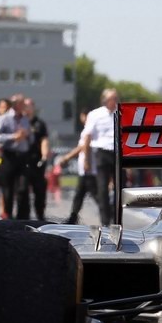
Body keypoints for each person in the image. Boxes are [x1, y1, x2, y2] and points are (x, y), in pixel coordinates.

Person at [80, 89, 119, 226]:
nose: (114, 101)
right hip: (101, 152)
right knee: (102, 188)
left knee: (120, 186)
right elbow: (88, 136)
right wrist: (86, 159)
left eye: (115, 98)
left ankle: (117, 217)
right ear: (105, 100)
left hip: (117, 153)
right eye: (111, 98)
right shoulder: (95, 114)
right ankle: (105, 220)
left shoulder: (121, 112)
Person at [0, 94, 31, 220]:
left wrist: (27, 135)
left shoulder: (25, 119)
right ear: (16, 104)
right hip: (9, 156)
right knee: (8, 188)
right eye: (22, 103)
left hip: (23, 156)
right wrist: (13, 137)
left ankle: (22, 218)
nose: (24, 106)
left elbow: (31, 138)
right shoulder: (4, 118)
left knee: (23, 188)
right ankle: (8, 216)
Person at [59, 111, 97, 225]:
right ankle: (73, 217)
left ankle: (109, 214)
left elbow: (83, 147)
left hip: (88, 169)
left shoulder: (89, 130)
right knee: (79, 194)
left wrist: (68, 158)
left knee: (95, 195)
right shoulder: (90, 129)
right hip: (87, 169)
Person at [17, 98, 50, 220]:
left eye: (29, 106)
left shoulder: (39, 124)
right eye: (24, 106)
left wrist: (44, 155)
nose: (26, 108)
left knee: (39, 189)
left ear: (33, 108)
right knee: (22, 190)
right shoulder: (18, 122)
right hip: (22, 160)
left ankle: (40, 215)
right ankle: (22, 217)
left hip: (36, 160)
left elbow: (44, 140)